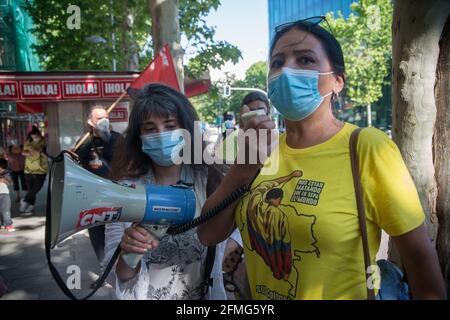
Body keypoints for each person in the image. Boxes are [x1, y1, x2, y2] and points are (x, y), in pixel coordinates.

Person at [198, 17, 447, 300]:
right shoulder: (259, 152)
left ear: (337, 81)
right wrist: (241, 171)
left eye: (305, 59)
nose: (287, 70)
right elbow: (207, 235)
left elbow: (418, 256)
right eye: (277, 63)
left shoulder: (367, 148)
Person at [104, 83, 242, 300]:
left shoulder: (212, 180)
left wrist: (230, 243)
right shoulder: (124, 192)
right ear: (139, 137)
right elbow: (119, 276)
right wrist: (129, 252)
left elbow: (241, 217)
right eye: (150, 129)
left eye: (170, 125)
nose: (161, 135)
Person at [75, 105, 124, 272]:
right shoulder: (83, 143)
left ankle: (120, 266)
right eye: (99, 119)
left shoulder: (118, 139)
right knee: (97, 234)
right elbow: (77, 169)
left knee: (118, 232)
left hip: (118, 194)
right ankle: (105, 268)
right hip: (93, 197)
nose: (104, 121)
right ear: (90, 122)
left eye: (107, 118)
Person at [20, 126, 48, 213]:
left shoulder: (45, 141)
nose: (34, 139)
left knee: (37, 187)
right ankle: (31, 205)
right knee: (31, 188)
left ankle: (25, 200)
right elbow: (23, 152)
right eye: (32, 137)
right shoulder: (28, 142)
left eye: (36, 136)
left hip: (41, 168)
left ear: (39, 134)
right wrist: (29, 152)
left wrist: (39, 152)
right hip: (29, 168)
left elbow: (47, 153)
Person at [0, 159, 14, 232]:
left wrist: (4, 180)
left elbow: (10, 183)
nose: (1, 170)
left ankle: (8, 225)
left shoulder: (6, 174)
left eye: (2, 169)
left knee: (6, 210)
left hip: (5, 194)